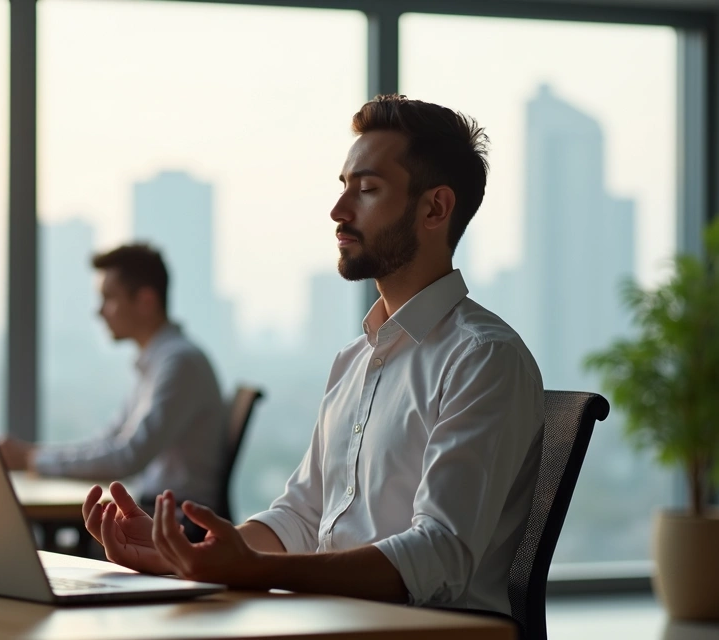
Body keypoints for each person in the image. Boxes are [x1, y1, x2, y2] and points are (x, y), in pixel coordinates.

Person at [78, 95, 545, 619]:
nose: (338, 211)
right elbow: (301, 517)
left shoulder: (482, 358)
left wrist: (256, 572)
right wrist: (186, 554)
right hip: (327, 620)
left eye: (367, 190)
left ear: (435, 208)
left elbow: (439, 555)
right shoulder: (354, 360)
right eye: (343, 188)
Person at [0, 244, 227, 541]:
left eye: (109, 298)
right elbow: (110, 441)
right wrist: (35, 455)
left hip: (180, 527)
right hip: (159, 513)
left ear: (145, 301)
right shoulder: (160, 362)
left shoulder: (179, 363)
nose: (99, 311)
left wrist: (33, 460)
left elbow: (127, 458)